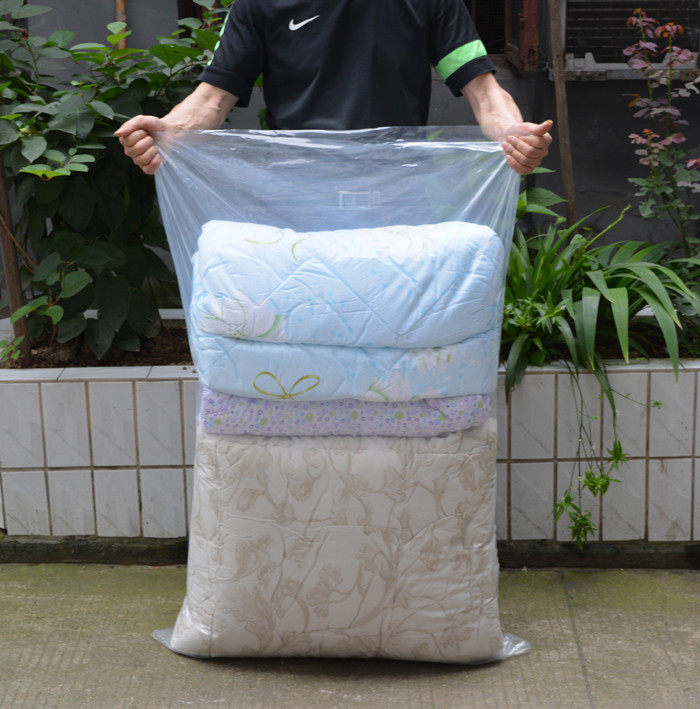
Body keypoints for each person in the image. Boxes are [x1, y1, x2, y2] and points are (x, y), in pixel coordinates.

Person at [116, 0, 552, 175]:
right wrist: (168, 133)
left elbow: (484, 91)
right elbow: (213, 98)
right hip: (297, 186)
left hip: (396, 186)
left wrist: (515, 135)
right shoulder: (259, 3)